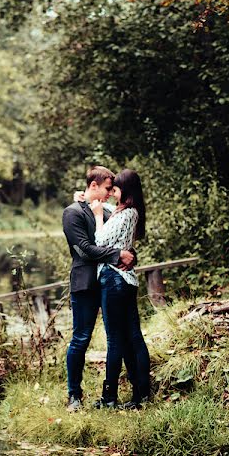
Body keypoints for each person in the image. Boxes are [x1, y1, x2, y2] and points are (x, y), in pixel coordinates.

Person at [62, 166, 134, 412]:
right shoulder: (72, 213)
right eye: (106, 188)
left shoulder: (105, 210)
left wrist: (129, 253)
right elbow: (84, 249)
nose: (110, 193)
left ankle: (116, 394)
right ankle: (74, 395)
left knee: (117, 337)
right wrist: (117, 255)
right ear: (93, 186)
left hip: (109, 281)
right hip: (84, 284)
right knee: (80, 338)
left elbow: (121, 234)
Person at [90, 168, 150, 409]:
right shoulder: (129, 212)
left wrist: (96, 217)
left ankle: (109, 397)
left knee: (116, 339)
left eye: (116, 188)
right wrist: (93, 204)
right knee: (133, 337)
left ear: (126, 190)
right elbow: (111, 215)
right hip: (125, 280)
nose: (113, 192)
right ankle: (141, 394)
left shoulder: (125, 214)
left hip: (114, 279)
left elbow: (100, 240)